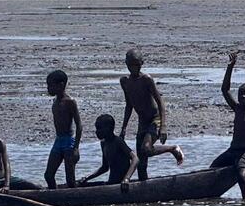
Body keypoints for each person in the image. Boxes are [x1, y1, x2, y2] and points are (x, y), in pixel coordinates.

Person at [118, 49, 184, 178]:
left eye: (137, 65)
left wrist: (163, 126)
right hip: (142, 122)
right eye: (131, 65)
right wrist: (124, 128)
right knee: (141, 164)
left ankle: (172, 148)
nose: (134, 68)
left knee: (147, 148)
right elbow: (129, 105)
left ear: (142, 64)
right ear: (126, 64)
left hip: (155, 119)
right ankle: (144, 187)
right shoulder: (124, 81)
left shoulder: (146, 79)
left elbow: (160, 102)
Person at [213, 50, 245, 201]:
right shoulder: (238, 109)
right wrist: (230, 66)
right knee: (212, 170)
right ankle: (211, 198)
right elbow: (224, 90)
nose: (244, 96)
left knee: (242, 176)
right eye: (241, 94)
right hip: (234, 150)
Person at [44, 69, 81, 189]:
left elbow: (79, 125)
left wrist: (76, 148)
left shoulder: (70, 102)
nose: (48, 88)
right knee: (48, 175)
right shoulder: (55, 101)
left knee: (70, 179)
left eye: (51, 85)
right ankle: (54, 194)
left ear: (61, 85)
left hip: (68, 142)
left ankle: (73, 197)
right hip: (58, 140)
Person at [78, 114, 135, 191]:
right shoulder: (103, 144)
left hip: (122, 185)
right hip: (111, 183)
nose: (96, 132)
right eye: (96, 129)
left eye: (99, 128)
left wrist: (127, 178)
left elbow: (135, 159)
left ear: (108, 129)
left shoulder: (118, 141)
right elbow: (105, 167)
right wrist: (87, 178)